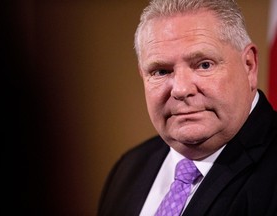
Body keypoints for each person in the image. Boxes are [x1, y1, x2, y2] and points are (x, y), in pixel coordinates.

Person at [98, 0, 277, 215]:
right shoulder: (129, 169)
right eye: (161, 71)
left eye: (204, 64)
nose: (181, 90)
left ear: (249, 65)